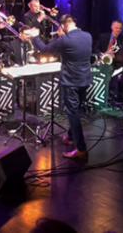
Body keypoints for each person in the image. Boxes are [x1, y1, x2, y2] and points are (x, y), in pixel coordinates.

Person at [29, 15, 93, 160]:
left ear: (63, 26)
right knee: (77, 110)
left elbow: (44, 50)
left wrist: (35, 37)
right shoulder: (87, 36)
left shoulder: (65, 40)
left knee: (73, 114)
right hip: (85, 80)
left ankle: (81, 149)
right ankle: (70, 137)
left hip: (71, 82)